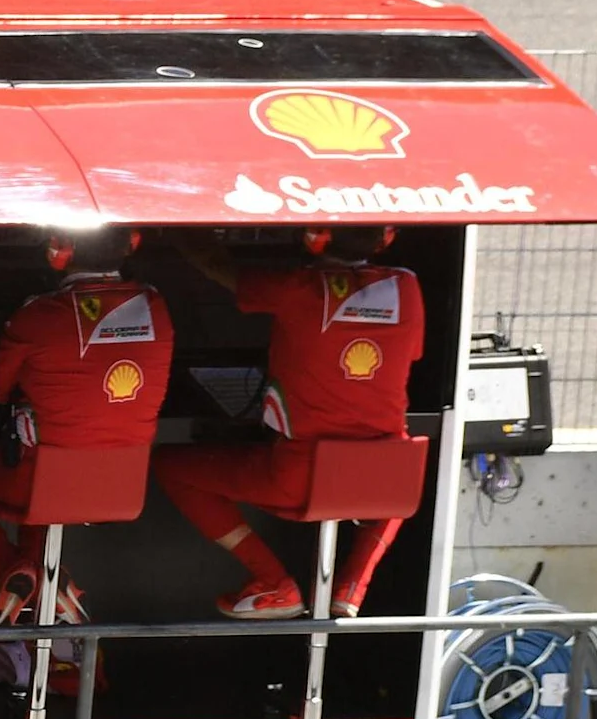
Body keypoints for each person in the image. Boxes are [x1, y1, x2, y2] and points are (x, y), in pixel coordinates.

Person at [152, 227, 426, 621]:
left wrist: (175, 230)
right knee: (397, 478)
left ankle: (273, 582)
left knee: (171, 465)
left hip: (301, 475)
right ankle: (353, 585)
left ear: (316, 238)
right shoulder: (408, 286)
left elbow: (216, 266)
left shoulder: (298, 286)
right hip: (380, 474)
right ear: (385, 239)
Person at [0, 225, 175, 649]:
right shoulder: (157, 305)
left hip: (41, 479)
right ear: (130, 246)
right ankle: (47, 586)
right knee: (43, 499)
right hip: (121, 485)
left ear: (59, 252)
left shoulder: (40, 314)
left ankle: (20, 575)